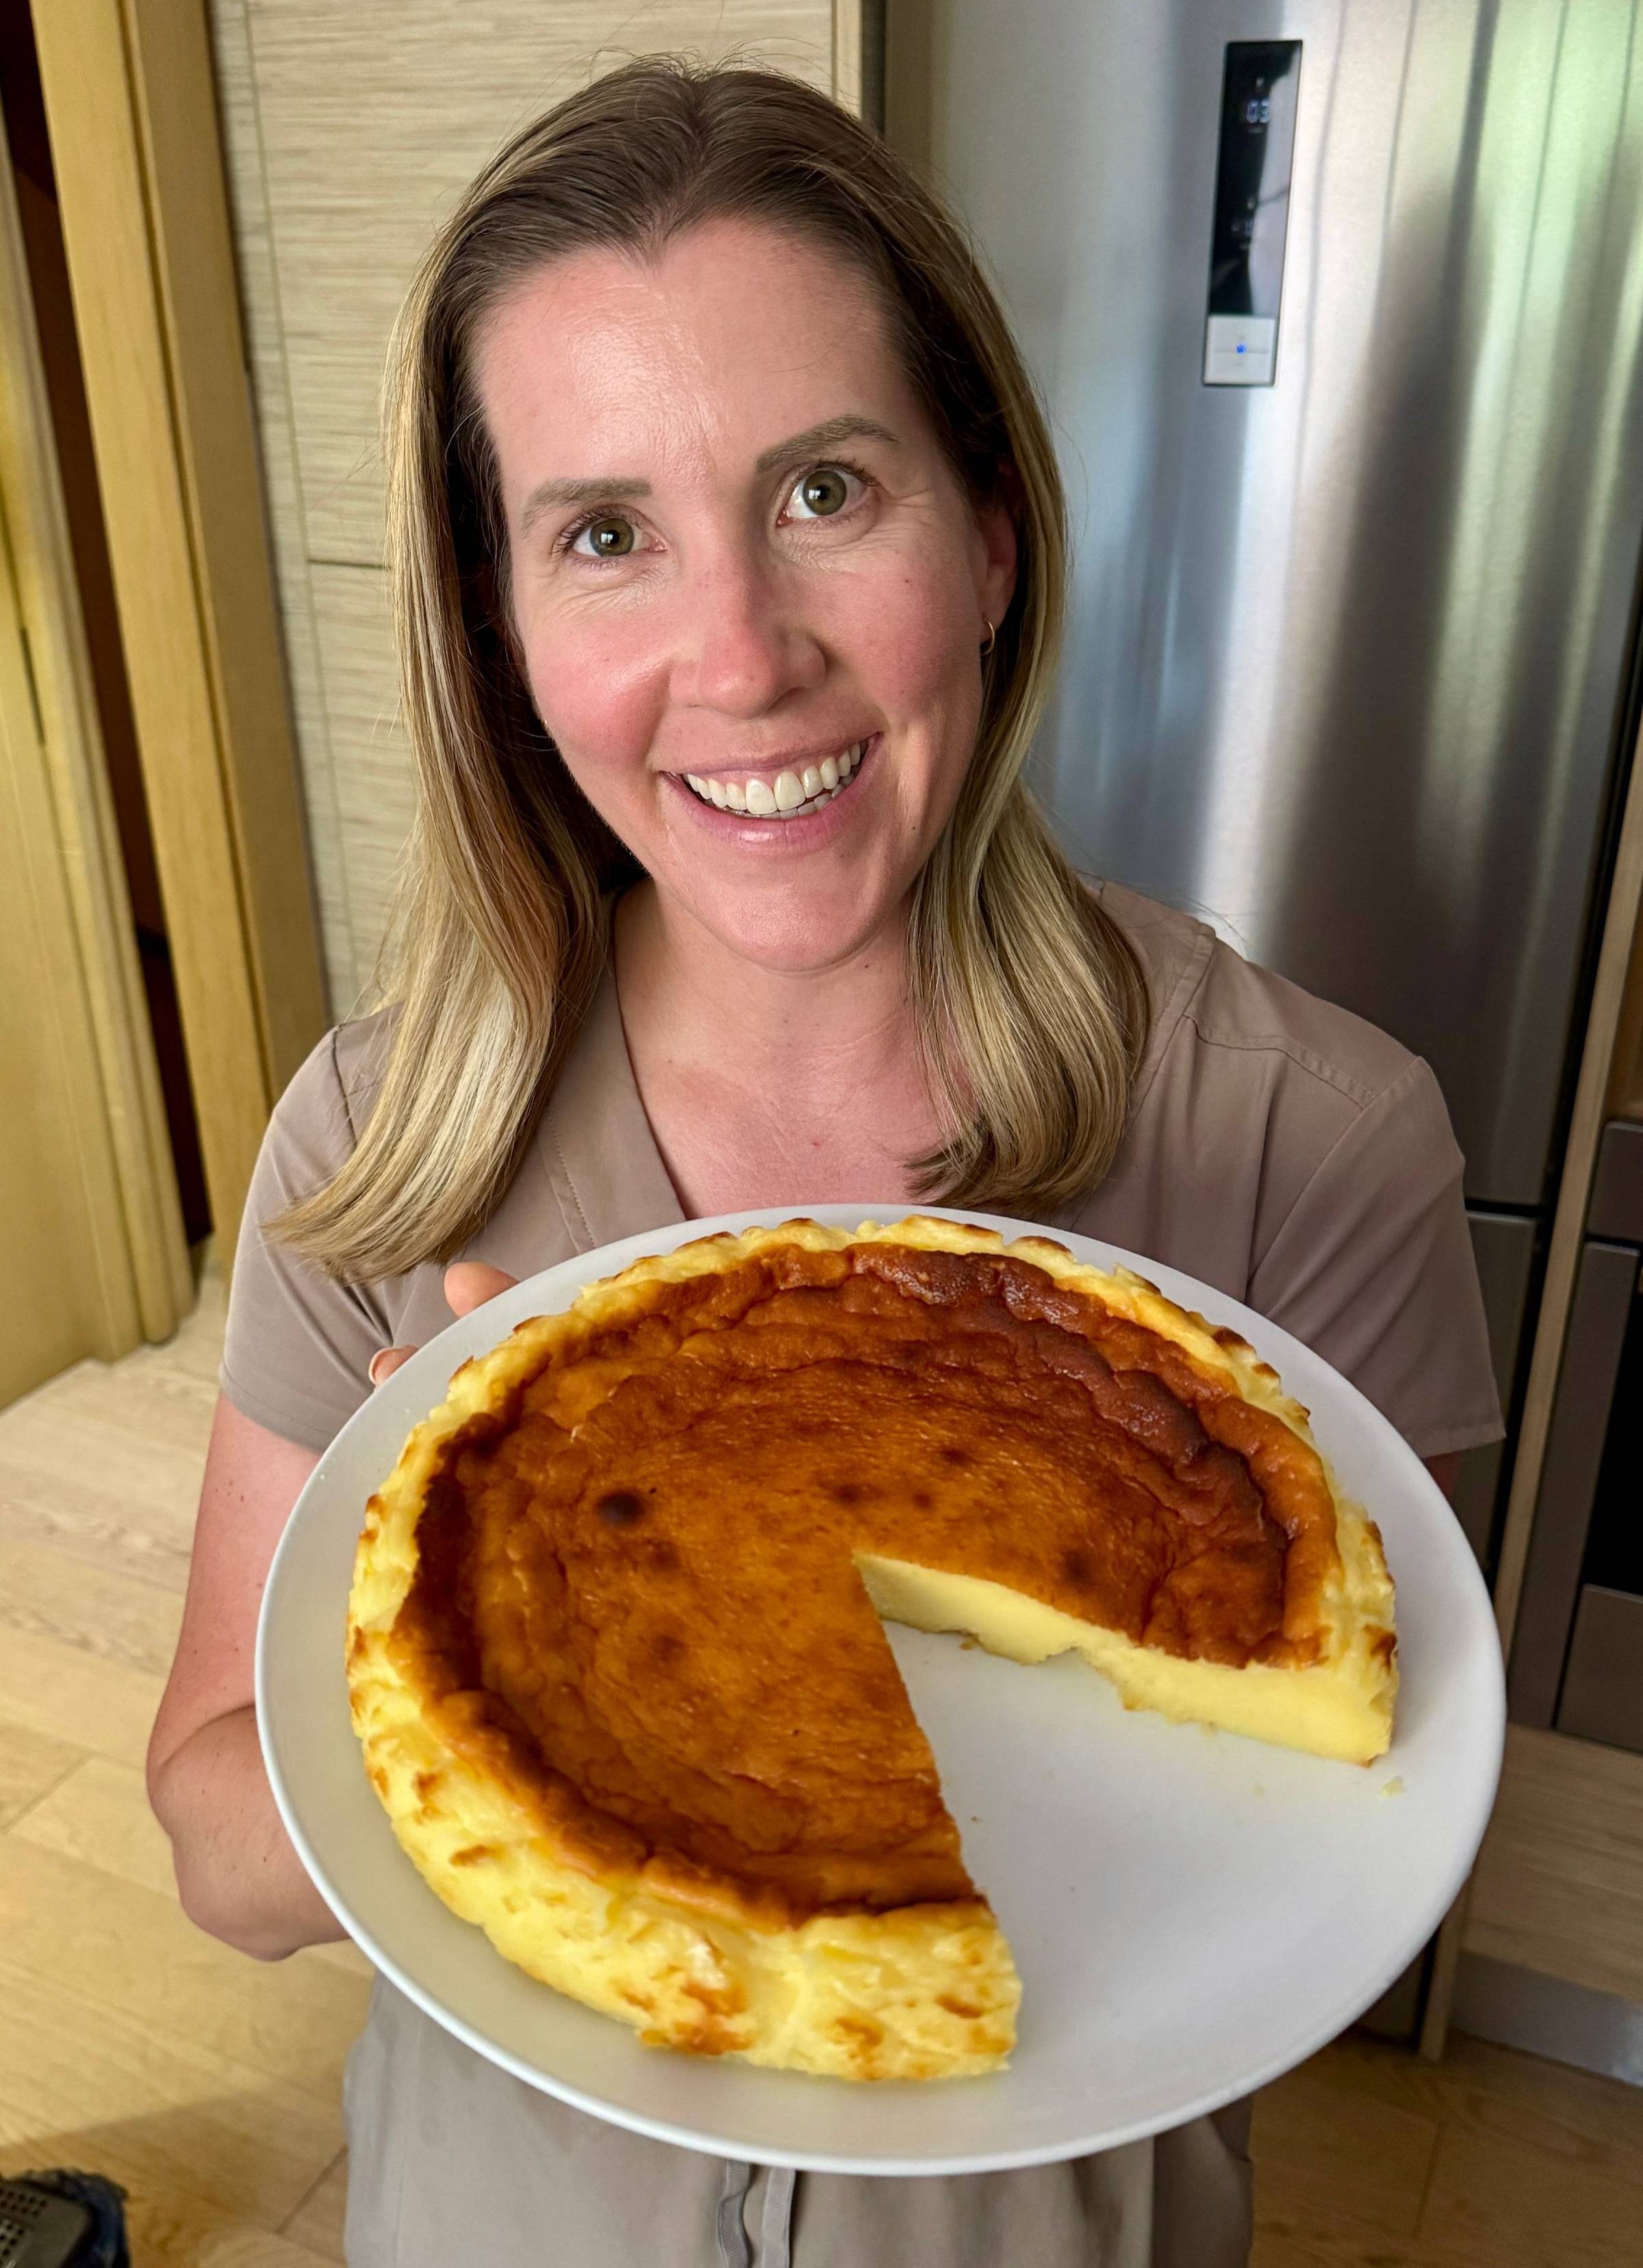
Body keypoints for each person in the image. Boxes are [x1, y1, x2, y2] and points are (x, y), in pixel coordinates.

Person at [147, 56, 1503, 2268]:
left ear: (986, 530)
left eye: (824, 490)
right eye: (605, 534)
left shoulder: (1318, 1134)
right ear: (503, 630)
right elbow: (217, 1846)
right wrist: (470, 1573)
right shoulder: (386, 1141)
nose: (742, 659)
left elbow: (1358, 1797)